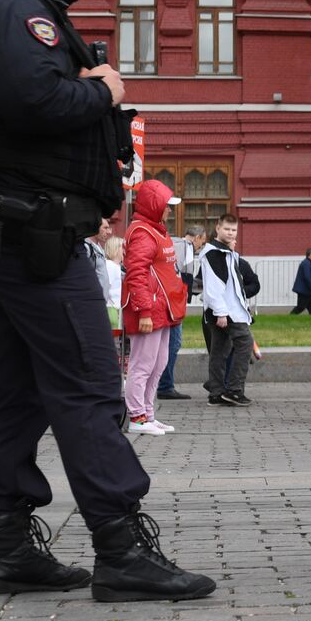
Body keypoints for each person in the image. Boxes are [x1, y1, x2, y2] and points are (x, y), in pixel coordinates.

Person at [0, 0, 213, 600]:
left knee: (14, 391)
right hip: (30, 230)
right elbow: (36, 102)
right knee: (87, 380)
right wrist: (104, 90)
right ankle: (121, 548)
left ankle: (9, 547)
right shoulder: (14, 9)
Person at [121, 180, 187, 437]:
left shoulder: (155, 230)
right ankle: (137, 416)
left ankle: (147, 414)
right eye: (167, 205)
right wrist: (144, 312)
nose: (170, 210)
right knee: (142, 365)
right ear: (154, 205)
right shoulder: (142, 233)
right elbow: (136, 274)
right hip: (149, 310)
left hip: (163, 309)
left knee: (158, 364)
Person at [202, 213, 255, 407]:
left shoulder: (223, 251)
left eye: (234, 230)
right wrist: (221, 312)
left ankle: (216, 393)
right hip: (227, 311)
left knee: (219, 350)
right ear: (218, 228)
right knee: (245, 343)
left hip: (226, 310)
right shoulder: (215, 253)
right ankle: (234, 390)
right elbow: (214, 286)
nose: (231, 233)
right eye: (227, 229)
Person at [158, 224, 206, 401]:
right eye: (202, 241)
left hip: (166, 299)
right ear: (197, 237)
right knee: (173, 343)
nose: (201, 246)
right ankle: (165, 386)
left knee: (169, 343)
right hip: (173, 303)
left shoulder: (173, 242)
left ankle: (163, 384)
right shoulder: (186, 247)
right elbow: (185, 277)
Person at [86, 217, 114, 306]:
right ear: (95, 227)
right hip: (91, 303)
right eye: (105, 228)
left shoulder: (99, 248)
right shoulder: (86, 248)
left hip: (100, 303)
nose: (109, 232)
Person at [290, 248, 311, 314]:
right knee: (301, 307)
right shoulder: (306, 264)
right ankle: (290, 317)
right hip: (304, 290)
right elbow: (307, 277)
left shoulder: (306, 263)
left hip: (306, 290)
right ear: (310, 255)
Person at [104, 235, 125, 313]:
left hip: (116, 308)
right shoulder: (110, 265)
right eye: (123, 247)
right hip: (111, 308)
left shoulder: (117, 266)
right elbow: (106, 286)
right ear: (115, 249)